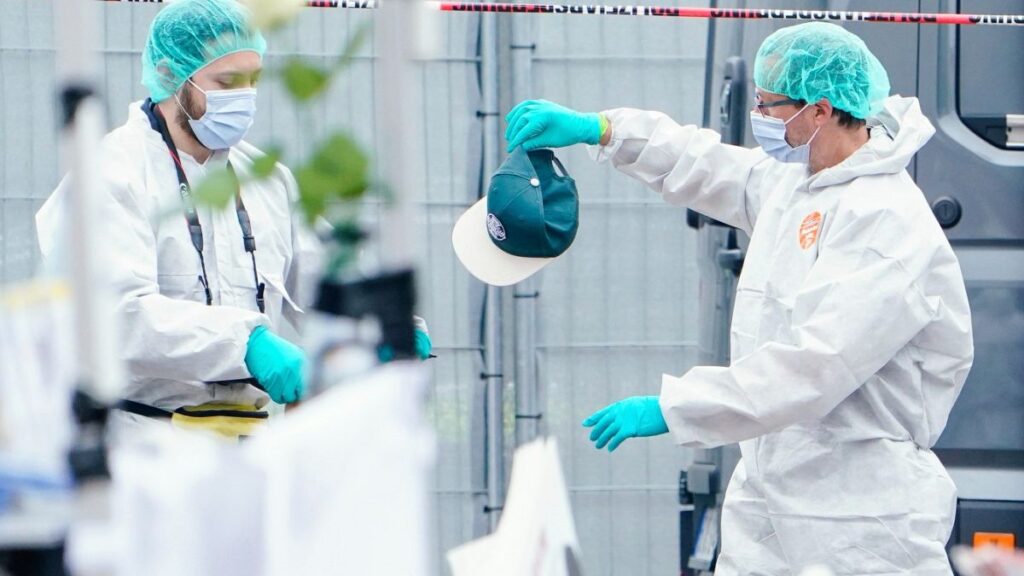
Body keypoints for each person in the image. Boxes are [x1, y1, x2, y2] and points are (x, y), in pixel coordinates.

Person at [506, 22, 973, 575]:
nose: (759, 116)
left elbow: (815, 367)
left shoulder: (885, 222)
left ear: (820, 111)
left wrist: (675, 407)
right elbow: (705, 165)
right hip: (771, 492)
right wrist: (603, 129)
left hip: (859, 515)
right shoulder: (800, 183)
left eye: (769, 105)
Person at [37, 0, 321, 427]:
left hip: (253, 441)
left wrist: (381, 322)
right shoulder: (111, 172)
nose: (245, 96)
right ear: (170, 74)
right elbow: (115, 316)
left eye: (253, 80)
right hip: (146, 441)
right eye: (227, 82)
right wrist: (247, 343)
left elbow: (323, 282)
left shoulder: (268, 180)